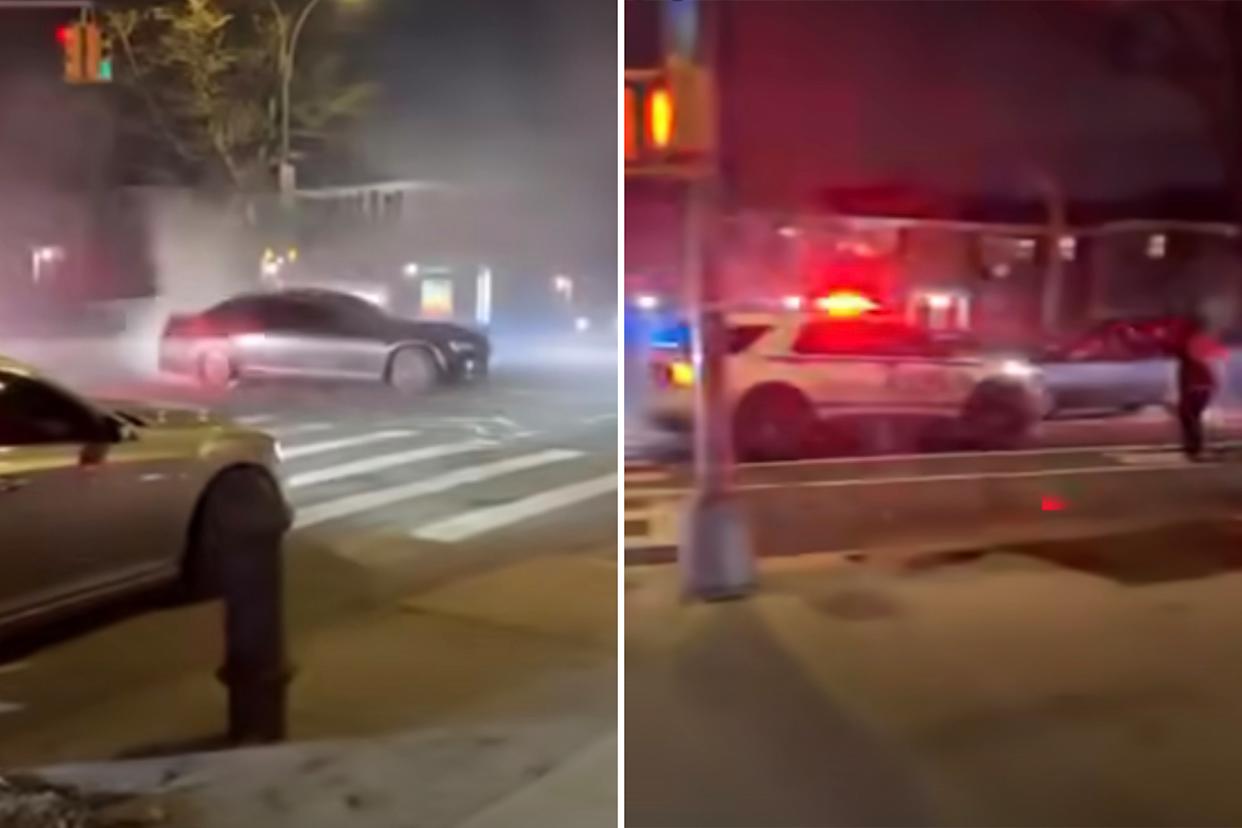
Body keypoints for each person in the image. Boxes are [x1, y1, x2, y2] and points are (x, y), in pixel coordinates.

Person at [1171, 314, 1225, 460]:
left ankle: (1194, 447)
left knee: (1189, 416)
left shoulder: (1187, 342)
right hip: (1204, 384)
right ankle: (1195, 446)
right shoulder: (1200, 340)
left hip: (1195, 384)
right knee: (1193, 416)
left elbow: (1186, 367)